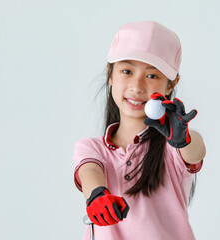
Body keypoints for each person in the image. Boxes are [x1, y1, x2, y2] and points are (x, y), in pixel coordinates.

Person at [72, 20, 206, 240]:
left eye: (152, 75)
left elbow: (196, 152)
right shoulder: (91, 148)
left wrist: (184, 140)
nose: (137, 86)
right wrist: (97, 195)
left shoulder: (172, 145)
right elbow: (90, 172)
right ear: (110, 74)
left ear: (171, 84)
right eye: (127, 71)